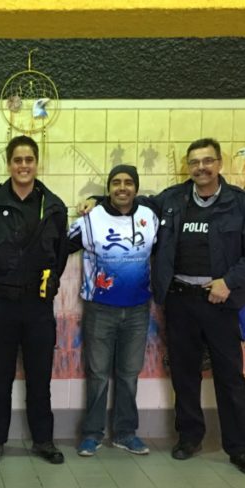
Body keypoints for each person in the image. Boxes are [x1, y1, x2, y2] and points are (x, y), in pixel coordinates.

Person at [150, 138, 245, 475]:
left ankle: (240, 449)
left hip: (221, 303)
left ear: (219, 163)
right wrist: (97, 201)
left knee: (230, 378)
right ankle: (189, 438)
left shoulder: (239, 204)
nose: (201, 167)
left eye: (207, 161)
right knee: (184, 374)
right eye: (194, 162)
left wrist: (229, 282)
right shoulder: (172, 200)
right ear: (188, 167)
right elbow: (135, 204)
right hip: (180, 301)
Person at [0, 135, 68, 466]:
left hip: (38, 306)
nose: (23, 165)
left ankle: (44, 440)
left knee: (40, 379)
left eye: (29, 160)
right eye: (17, 160)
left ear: (37, 163)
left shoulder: (54, 207)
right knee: (0, 378)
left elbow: (59, 256)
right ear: (8, 163)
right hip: (0, 304)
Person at [69, 165, 159, 458]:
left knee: (129, 374)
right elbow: (58, 246)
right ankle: (92, 434)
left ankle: (125, 433)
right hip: (100, 309)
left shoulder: (150, 217)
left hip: (138, 309)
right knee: (97, 374)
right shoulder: (90, 218)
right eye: (116, 182)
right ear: (108, 188)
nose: (122, 187)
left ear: (136, 188)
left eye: (128, 182)